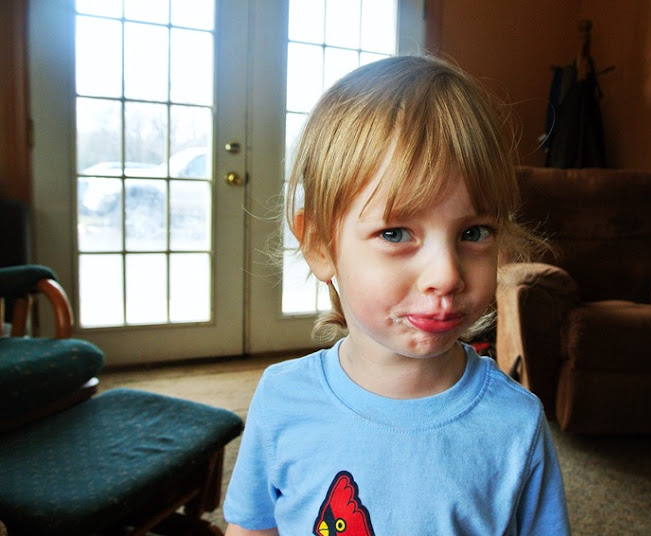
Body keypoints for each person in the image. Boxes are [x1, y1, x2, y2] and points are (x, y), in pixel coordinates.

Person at [223, 54, 570, 536]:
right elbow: (253, 527)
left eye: (473, 233)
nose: (446, 276)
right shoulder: (283, 399)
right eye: (395, 233)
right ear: (320, 246)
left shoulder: (515, 423)